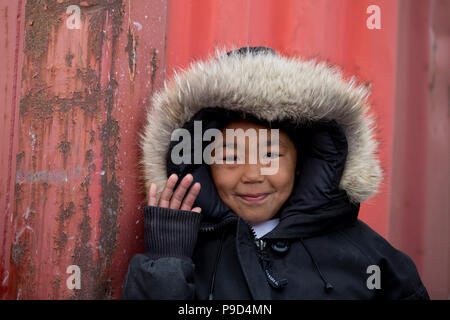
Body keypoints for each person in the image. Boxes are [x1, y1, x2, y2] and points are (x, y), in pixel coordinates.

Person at [122, 46, 429, 299]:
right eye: (230, 156)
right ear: (205, 167)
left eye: (270, 154)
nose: (253, 174)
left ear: (301, 163)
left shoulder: (370, 259)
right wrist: (164, 266)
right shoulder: (182, 257)